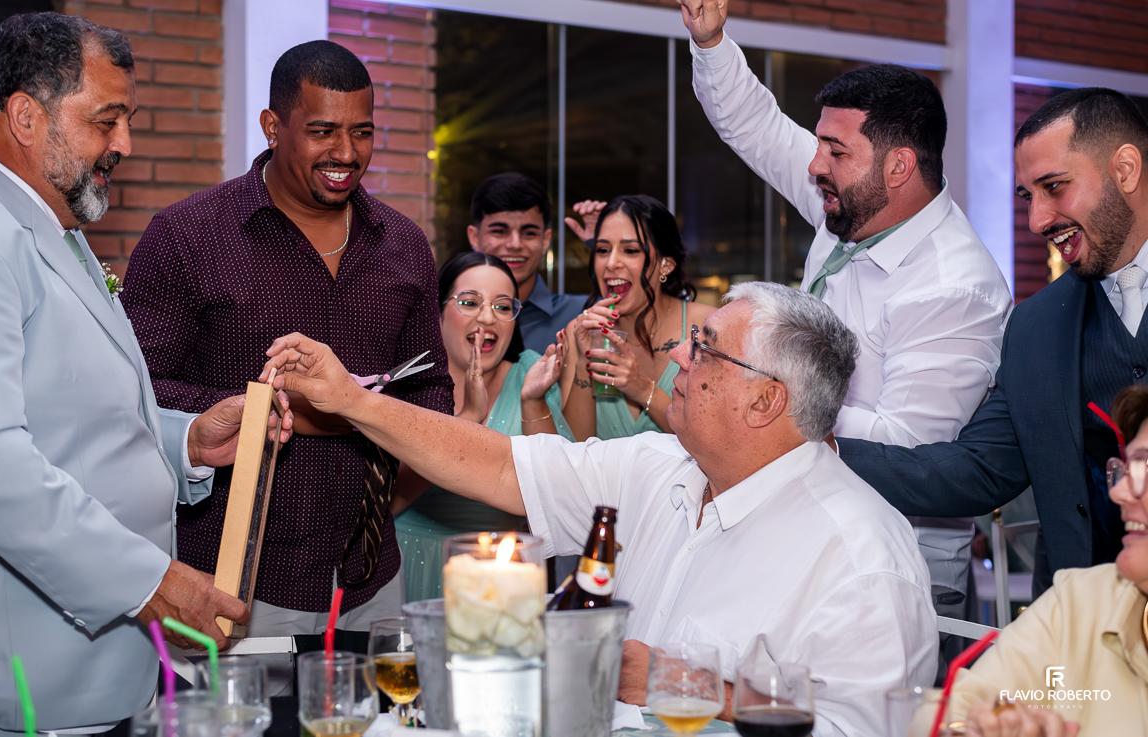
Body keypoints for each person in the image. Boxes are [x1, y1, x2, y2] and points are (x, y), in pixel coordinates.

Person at [260, 281, 939, 736]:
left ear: (764, 401)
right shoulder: (658, 466)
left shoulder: (861, 559)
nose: (678, 355)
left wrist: (698, 687)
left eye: (704, 349)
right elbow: (498, 462)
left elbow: (863, 728)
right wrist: (354, 400)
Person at [0, 13, 292, 734]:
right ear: (25, 115)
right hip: (30, 689)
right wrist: (146, 581)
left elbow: (69, 419)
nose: (125, 145)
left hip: (105, 674)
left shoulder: (48, 226)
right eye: (107, 120)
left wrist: (189, 440)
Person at [672, 0, 1012, 621]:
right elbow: (758, 128)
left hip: (895, 567)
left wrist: (769, 395)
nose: (814, 166)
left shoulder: (956, 285)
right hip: (806, 522)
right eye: (820, 144)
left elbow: (908, 454)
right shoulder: (853, 205)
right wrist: (711, 40)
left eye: (834, 149)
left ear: (899, 166)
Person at [121, 40, 453, 643]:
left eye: (363, 133)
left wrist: (361, 426)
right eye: (323, 131)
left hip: (371, 576)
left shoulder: (403, 246)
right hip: (234, 582)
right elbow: (135, 391)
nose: (346, 153)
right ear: (273, 126)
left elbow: (432, 389)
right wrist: (275, 411)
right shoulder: (188, 235)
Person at [836, 88, 1148, 599]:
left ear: (1126, 169)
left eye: (1054, 187)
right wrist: (818, 447)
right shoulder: (1037, 327)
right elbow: (977, 470)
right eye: (1029, 196)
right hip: (1085, 629)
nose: (1037, 221)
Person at [929, 384, 1148, 737]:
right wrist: (980, 726)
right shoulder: (1080, 602)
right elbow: (944, 713)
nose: (1118, 491)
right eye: (1124, 468)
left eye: (1145, 467)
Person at [393, 251, 571, 600]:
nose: (488, 317)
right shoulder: (403, 383)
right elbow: (388, 503)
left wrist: (532, 401)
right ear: (437, 311)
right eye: (470, 302)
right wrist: (469, 419)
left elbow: (559, 497)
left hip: (501, 576)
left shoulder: (528, 374)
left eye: (503, 307)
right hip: (406, 569)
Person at [562, 194, 716, 440]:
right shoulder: (580, 330)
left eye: (630, 250)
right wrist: (583, 359)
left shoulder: (706, 327)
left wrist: (642, 388)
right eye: (602, 250)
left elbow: (714, 442)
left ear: (666, 265)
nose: (611, 263)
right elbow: (576, 450)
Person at [466, 172, 587, 353]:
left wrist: (604, 245)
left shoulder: (582, 315)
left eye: (529, 233)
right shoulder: (444, 317)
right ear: (474, 238)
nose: (515, 244)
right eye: (499, 231)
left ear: (545, 240)